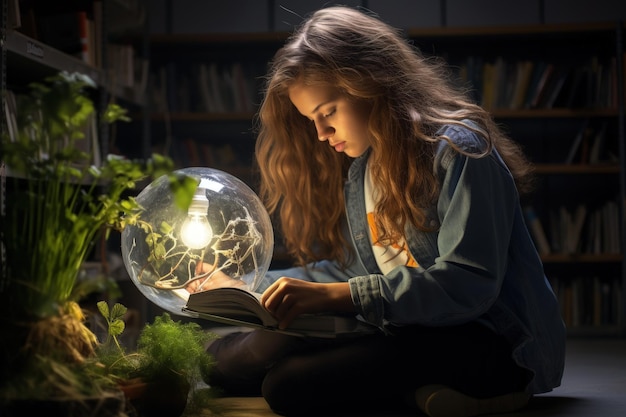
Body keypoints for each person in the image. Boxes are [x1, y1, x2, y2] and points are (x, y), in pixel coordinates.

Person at [201, 6, 565, 417]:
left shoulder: (461, 150)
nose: (320, 134)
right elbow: (356, 271)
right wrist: (248, 283)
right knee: (223, 363)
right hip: (410, 330)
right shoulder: (363, 172)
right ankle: (428, 395)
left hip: (492, 341)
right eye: (311, 120)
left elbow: (469, 284)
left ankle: (495, 392)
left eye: (328, 112)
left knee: (287, 385)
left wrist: (340, 297)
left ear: (371, 81)